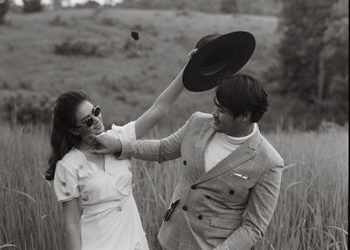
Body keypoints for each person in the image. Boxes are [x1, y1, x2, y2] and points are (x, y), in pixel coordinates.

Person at [92, 73, 284, 250]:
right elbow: (163, 149)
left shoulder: (268, 161)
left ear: (245, 116)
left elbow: (254, 226)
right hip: (170, 238)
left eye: (223, 111)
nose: (214, 114)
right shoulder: (198, 123)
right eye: (216, 105)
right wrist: (120, 146)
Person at [45, 49, 197, 250]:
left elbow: (159, 109)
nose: (97, 120)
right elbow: (71, 223)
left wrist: (191, 66)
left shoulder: (119, 138)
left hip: (133, 240)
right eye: (87, 121)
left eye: (96, 112)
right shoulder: (69, 166)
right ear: (74, 130)